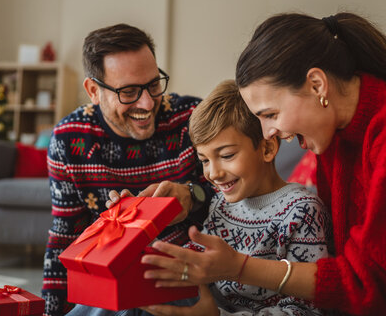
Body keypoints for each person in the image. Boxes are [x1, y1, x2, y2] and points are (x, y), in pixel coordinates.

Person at [140, 12, 386, 315]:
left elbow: (367, 285)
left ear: (317, 85)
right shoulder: (336, 140)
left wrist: (238, 269)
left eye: (270, 114)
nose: (269, 133)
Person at [42, 23, 214, 316]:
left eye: (153, 85)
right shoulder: (68, 140)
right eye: (130, 92)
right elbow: (65, 240)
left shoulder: (192, 119)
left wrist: (191, 197)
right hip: (110, 281)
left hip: (185, 274)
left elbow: (233, 201)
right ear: (94, 90)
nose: (147, 103)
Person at [140, 79, 331, 315]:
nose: (214, 173)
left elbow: (306, 311)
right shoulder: (221, 203)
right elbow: (199, 266)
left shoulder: (303, 211)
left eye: (227, 155)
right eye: (204, 160)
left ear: (267, 149)